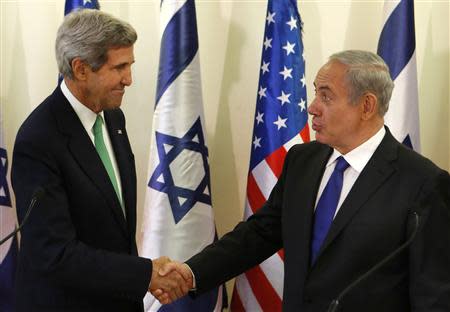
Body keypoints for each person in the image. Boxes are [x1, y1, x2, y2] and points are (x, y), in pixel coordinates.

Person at [154, 50, 450, 311]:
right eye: (315, 94)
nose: (312, 107)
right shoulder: (303, 161)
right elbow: (259, 234)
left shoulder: (422, 183)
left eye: (326, 96)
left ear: (367, 106)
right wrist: (191, 273)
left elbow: (434, 294)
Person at [11, 9, 190, 312]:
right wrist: (146, 274)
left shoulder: (113, 118)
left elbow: (116, 227)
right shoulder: (38, 139)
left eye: (130, 65)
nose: (129, 79)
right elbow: (55, 254)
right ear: (81, 69)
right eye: (119, 67)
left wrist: (139, 279)